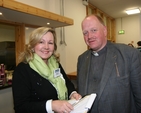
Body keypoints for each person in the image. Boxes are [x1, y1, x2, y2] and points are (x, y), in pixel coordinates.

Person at [77, 14, 141, 113]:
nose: (89, 36)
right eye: (85, 33)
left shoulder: (129, 54)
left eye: (94, 30)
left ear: (105, 31)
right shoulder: (82, 59)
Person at [12, 27, 81, 113]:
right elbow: (21, 107)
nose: (46, 47)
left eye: (50, 43)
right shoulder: (22, 70)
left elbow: (67, 82)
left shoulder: (55, 64)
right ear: (32, 46)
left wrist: (72, 93)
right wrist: (51, 105)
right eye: (41, 42)